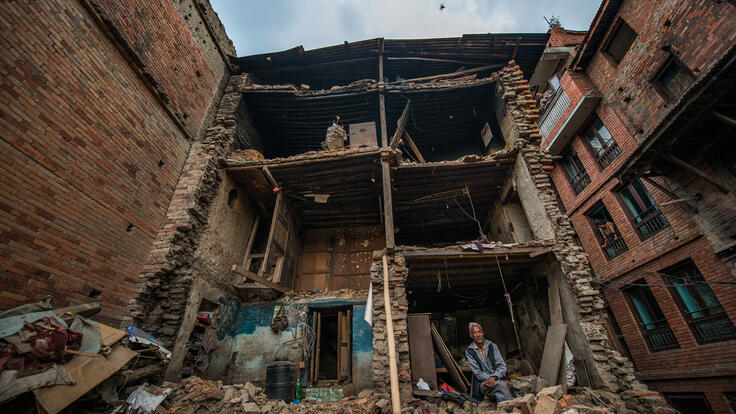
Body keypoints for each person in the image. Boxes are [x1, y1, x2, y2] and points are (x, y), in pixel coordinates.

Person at [465, 322, 513, 403]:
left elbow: (502, 366)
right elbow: (478, 373)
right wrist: (494, 380)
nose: (478, 335)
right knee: (502, 385)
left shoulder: (492, 346)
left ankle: (501, 405)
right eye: (474, 333)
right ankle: (508, 406)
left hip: (497, 378)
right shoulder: (469, 351)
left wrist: (494, 378)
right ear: (471, 335)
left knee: (501, 388)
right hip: (484, 383)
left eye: (479, 332)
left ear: (482, 333)